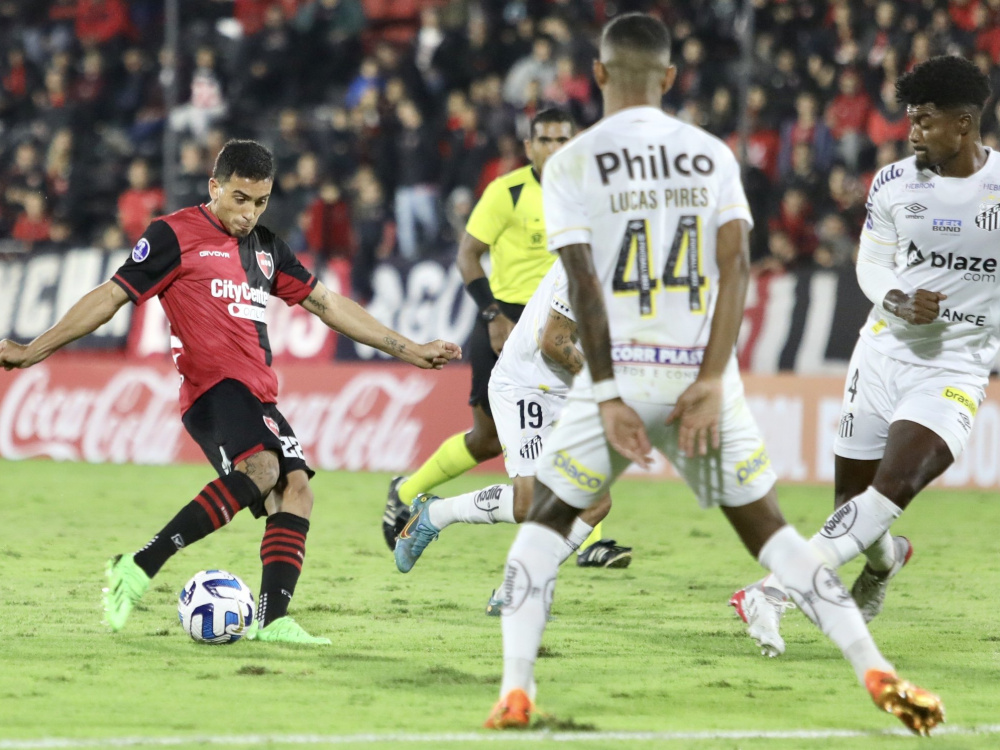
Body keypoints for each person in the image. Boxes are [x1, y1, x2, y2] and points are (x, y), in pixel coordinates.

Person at [483, 14, 943, 736]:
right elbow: (735, 271)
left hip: (624, 373)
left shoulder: (572, 165)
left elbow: (583, 291)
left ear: (599, 75)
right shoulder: (710, 156)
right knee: (775, 537)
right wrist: (709, 378)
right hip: (699, 374)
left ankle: (515, 692)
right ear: (670, 78)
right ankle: (875, 669)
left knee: (541, 533)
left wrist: (608, 394)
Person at [0, 140, 461, 644]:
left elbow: (329, 305)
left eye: (260, 202)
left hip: (259, 394)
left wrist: (410, 350)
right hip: (212, 389)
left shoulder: (267, 249)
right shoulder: (173, 234)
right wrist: (34, 349)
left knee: (297, 491)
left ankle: (273, 620)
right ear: (214, 187)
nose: (248, 213)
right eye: (239, 199)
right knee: (262, 470)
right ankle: (138, 565)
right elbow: (111, 296)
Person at [730, 56, 996, 658]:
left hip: (954, 368)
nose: (913, 132)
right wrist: (896, 298)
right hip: (880, 356)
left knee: (894, 486)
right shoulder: (895, 182)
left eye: (925, 121)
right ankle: (885, 562)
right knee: (855, 509)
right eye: (911, 120)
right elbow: (871, 264)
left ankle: (773, 592)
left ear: (963, 123)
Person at [382, 109, 631, 568]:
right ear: (530, 146)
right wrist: (493, 315)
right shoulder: (509, 192)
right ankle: (411, 494)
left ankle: (568, 554)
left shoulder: (586, 203)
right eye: (546, 140)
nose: (555, 149)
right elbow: (469, 255)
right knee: (488, 443)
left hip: (564, 329)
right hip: (513, 325)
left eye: (563, 140)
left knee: (588, 488)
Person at [392, 259, 629, 608]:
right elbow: (554, 341)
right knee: (528, 504)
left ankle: (513, 592)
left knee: (595, 503)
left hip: (569, 390)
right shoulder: (584, 260)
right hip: (526, 385)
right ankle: (436, 514)